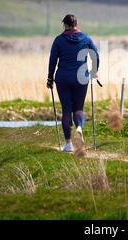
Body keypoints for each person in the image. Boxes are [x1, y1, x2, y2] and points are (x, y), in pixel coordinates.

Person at [47, 14, 99, 152]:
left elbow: (53, 60)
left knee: (66, 110)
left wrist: (50, 78)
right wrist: (94, 71)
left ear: (65, 25)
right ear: (76, 24)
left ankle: (68, 143)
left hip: (63, 78)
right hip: (81, 78)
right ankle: (79, 128)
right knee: (79, 108)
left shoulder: (58, 40)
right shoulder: (86, 38)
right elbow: (95, 56)